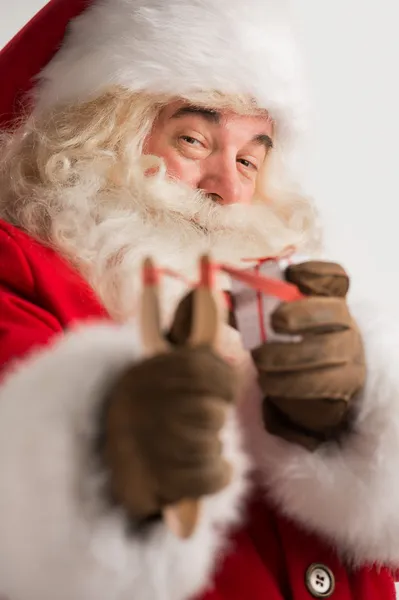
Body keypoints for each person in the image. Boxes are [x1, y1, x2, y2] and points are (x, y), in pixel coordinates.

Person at [0, 0, 397, 599]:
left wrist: (350, 429)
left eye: (249, 158)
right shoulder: (15, 268)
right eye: (193, 139)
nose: (230, 187)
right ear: (95, 141)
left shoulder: (281, 317)